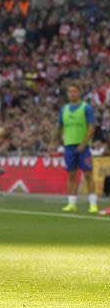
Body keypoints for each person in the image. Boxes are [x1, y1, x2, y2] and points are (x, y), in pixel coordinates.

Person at [54, 84, 97, 213]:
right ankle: (71, 204)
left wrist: (84, 144)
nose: (72, 94)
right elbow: (59, 127)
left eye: (75, 91)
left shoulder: (86, 108)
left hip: (83, 146)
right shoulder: (64, 109)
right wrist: (53, 142)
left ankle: (93, 205)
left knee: (88, 174)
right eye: (70, 91)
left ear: (79, 93)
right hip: (69, 146)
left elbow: (91, 127)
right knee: (71, 175)